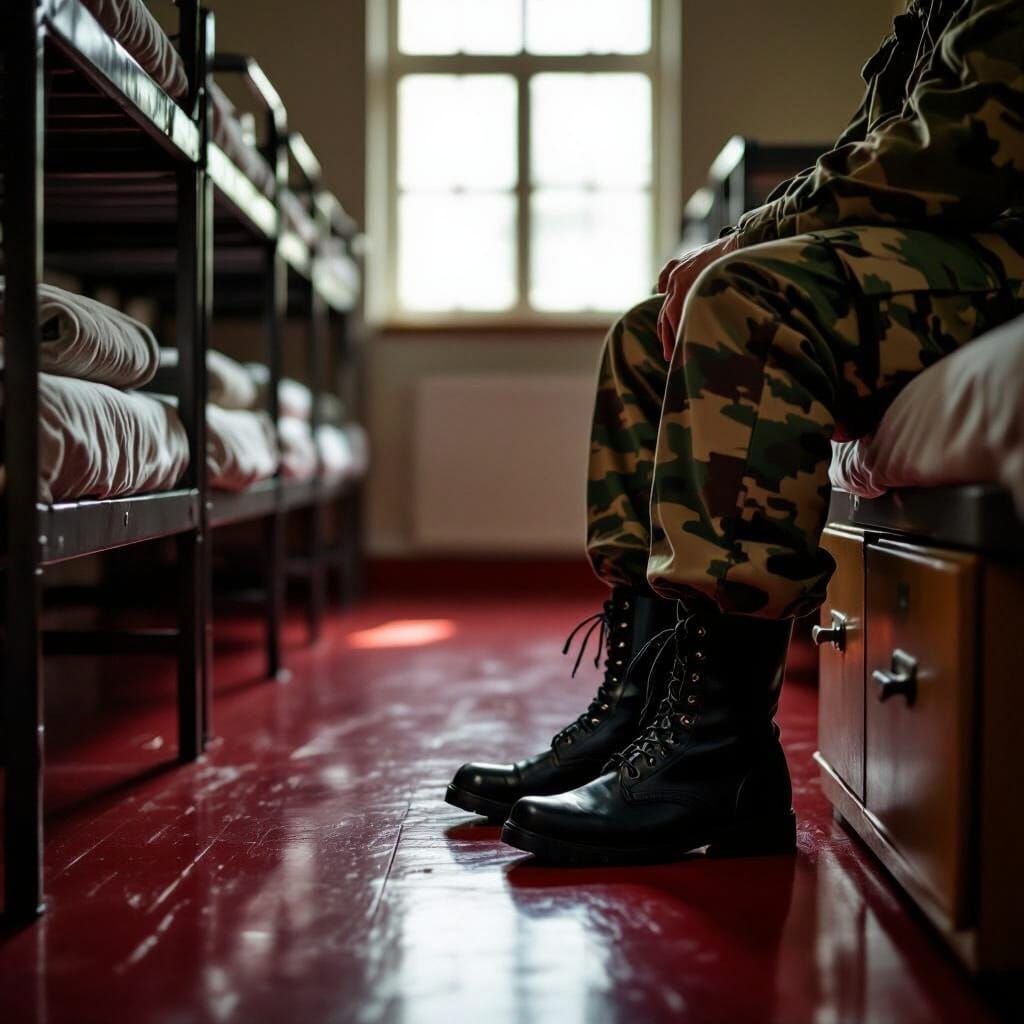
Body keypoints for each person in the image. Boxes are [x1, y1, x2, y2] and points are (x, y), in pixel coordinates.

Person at [447, 0, 1024, 865]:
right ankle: (642, 713)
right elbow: (866, 154)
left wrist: (743, 240)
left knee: (745, 299)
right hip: (957, 257)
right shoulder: (930, 12)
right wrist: (736, 240)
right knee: (646, 334)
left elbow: (957, 152)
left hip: (1004, 248)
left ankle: (717, 749)